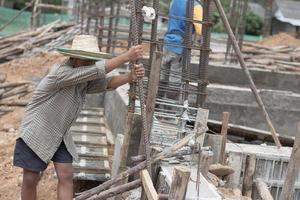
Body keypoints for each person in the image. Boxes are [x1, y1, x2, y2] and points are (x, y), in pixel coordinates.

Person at [13, 35, 145, 200]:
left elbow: (105, 82)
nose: (88, 63)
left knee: (66, 175)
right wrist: (126, 57)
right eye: (85, 59)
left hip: (60, 134)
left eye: (91, 60)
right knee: (31, 178)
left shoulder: (83, 78)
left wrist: (129, 77)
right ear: (74, 57)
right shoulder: (61, 73)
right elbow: (97, 71)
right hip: (37, 132)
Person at [160, 0, 203, 102]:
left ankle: (155, 106)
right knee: (175, 80)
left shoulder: (174, 1)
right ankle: (168, 112)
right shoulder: (196, 6)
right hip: (179, 45)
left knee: (162, 77)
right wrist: (200, 40)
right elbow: (200, 29)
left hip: (167, 43)